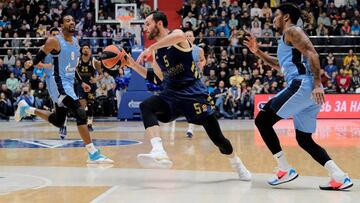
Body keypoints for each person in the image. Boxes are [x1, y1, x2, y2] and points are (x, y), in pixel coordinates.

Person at [125, 11, 251, 180]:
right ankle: (158, 151)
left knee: (218, 139)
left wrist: (150, 47)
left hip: (194, 95)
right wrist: (132, 65)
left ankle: (237, 163)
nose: (145, 28)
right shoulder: (156, 53)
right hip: (171, 95)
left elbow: (180, 35)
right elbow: (157, 79)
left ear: (159, 24)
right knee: (146, 106)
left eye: (148, 24)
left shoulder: (176, 36)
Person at [244, 3, 352, 190]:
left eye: (276, 15)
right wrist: (258, 52)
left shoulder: (292, 31)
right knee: (304, 139)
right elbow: (280, 65)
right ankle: (339, 176)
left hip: (303, 86)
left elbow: (313, 53)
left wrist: (318, 85)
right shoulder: (287, 38)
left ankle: (284, 169)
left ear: (286, 17)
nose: (273, 18)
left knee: (262, 120)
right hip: (308, 93)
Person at [17, 15, 113, 164]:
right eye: (67, 20)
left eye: (73, 20)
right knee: (80, 113)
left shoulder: (76, 42)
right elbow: (39, 56)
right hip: (58, 84)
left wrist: (81, 83)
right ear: (62, 25)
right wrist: (31, 63)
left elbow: (72, 68)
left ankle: (27, 109)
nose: (72, 22)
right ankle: (92, 153)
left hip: (69, 84)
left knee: (58, 121)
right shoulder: (55, 41)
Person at [183, 30, 206, 138]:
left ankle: (193, 127)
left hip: (197, 79)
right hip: (184, 80)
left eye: (190, 36)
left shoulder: (199, 50)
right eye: (186, 36)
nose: (188, 37)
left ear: (193, 38)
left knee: (199, 102)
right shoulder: (180, 50)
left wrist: (202, 64)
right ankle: (191, 127)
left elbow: (203, 60)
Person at [76, 44, 104, 132]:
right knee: (82, 105)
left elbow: (101, 74)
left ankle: (90, 124)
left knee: (90, 105)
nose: (85, 49)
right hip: (81, 85)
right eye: (84, 48)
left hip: (91, 85)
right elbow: (74, 72)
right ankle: (83, 123)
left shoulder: (94, 61)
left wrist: (96, 79)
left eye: (87, 48)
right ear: (81, 50)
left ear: (90, 50)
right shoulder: (77, 60)